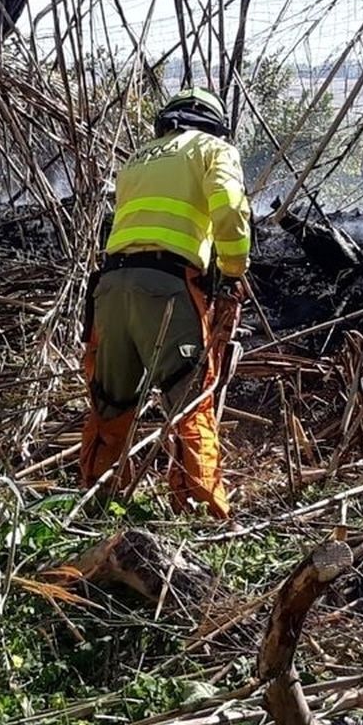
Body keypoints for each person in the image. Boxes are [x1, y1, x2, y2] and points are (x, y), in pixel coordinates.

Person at [79, 87, 251, 518]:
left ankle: (98, 503)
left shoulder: (136, 159)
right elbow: (229, 210)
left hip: (111, 289)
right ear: (213, 123)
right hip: (169, 289)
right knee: (190, 402)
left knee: (110, 404)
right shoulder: (214, 149)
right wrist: (233, 270)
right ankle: (201, 515)